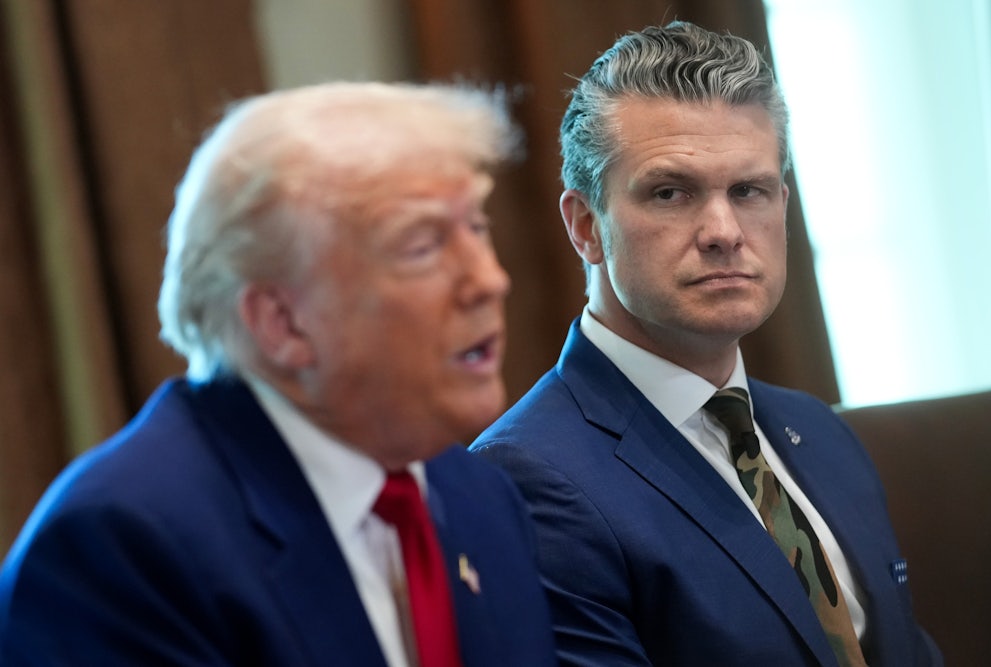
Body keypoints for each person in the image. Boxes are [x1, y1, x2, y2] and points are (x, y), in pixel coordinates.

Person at [0, 81, 557, 666]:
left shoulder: (480, 499)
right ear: (283, 323)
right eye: (422, 245)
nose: (489, 281)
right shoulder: (125, 547)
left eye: (476, 226)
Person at [470, 21, 942, 667]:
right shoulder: (521, 479)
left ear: (782, 202)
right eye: (671, 193)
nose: (724, 231)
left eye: (747, 190)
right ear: (586, 226)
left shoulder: (820, 432)